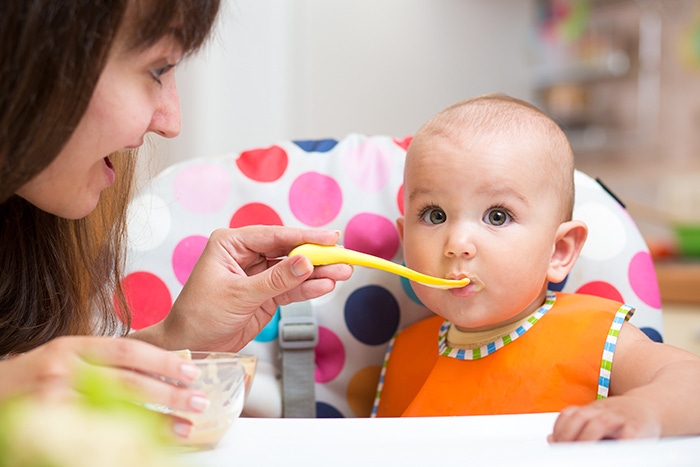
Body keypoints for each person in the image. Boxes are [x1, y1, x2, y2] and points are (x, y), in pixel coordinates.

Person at [0, 1, 351, 440]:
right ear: (29, 53)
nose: (172, 123)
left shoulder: (32, 229)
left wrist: (175, 340)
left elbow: (43, 388)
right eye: (157, 69)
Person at [372, 94, 700, 442]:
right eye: (435, 215)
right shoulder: (404, 353)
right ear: (405, 241)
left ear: (558, 251)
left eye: (497, 216)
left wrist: (643, 410)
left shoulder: (593, 337)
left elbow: (690, 380)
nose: (457, 243)